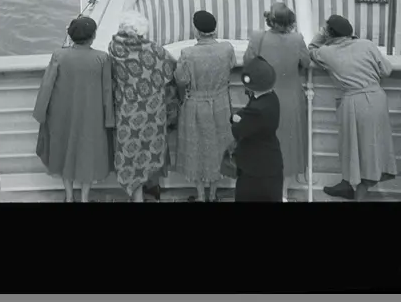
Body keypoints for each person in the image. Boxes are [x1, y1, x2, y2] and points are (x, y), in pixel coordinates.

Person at [308, 15, 397, 200]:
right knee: (372, 147)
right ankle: (349, 183)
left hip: (353, 103)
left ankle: (358, 192)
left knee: (353, 147)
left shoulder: (326, 52)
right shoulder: (367, 45)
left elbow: (311, 48)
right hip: (377, 99)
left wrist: (321, 34)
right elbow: (387, 70)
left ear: (328, 33)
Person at [32, 15, 115, 202]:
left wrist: (41, 112)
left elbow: (47, 85)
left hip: (62, 113)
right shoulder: (102, 58)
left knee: (63, 152)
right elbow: (107, 91)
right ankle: (84, 197)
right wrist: (109, 119)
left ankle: (69, 197)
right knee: (88, 153)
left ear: (71, 35)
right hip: (92, 114)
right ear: (93, 36)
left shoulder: (59, 55)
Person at [108, 12, 178, 202]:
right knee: (151, 149)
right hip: (153, 110)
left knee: (131, 154)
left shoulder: (114, 49)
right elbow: (170, 72)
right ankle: (152, 188)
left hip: (127, 111)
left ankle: (137, 196)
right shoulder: (155, 50)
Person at [244, 3, 310, 196]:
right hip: (291, 99)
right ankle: (283, 193)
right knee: (287, 147)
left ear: (269, 20)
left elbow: (248, 61)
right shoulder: (297, 39)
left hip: (264, 98)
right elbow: (306, 63)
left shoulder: (258, 37)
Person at [174, 10, 235, 202]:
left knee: (196, 149)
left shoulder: (188, 54)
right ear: (214, 29)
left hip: (195, 104)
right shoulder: (227, 48)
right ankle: (214, 195)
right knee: (219, 148)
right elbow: (232, 65)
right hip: (221, 103)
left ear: (196, 30)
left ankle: (201, 196)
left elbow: (181, 80)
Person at [230, 56, 283, 202]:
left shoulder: (257, 110)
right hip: (270, 164)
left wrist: (235, 120)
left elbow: (238, 131)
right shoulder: (271, 98)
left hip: (256, 170)